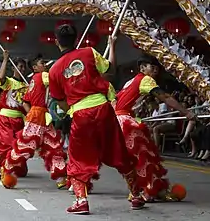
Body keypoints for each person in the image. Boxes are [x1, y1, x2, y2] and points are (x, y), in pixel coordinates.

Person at [48, 24, 145, 215]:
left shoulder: (54, 70)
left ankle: (81, 200)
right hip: (103, 108)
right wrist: (112, 46)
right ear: (76, 39)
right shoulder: (89, 53)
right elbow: (110, 71)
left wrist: (72, 111)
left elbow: (59, 101)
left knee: (78, 157)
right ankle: (135, 196)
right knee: (118, 150)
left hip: (80, 114)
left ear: (57, 42)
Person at [113, 56, 197, 202]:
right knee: (144, 156)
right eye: (152, 66)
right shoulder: (145, 80)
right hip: (125, 122)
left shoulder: (130, 81)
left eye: (157, 67)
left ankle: (143, 190)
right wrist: (186, 112)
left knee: (136, 158)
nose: (155, 70)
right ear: (142, 68)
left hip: (117, 122)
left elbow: (116, 100)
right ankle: (147, 191)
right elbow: (164, 97)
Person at [1, 55, 67, 189]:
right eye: (43, 63)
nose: (46, 65)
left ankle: (61, 176)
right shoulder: (42, 76)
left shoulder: (33, 81)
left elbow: (26, 101)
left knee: (54, 146)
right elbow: (59, 77)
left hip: (41, 115)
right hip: (37, 116)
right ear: (36, 68)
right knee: (26, 147)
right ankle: (7, 168)